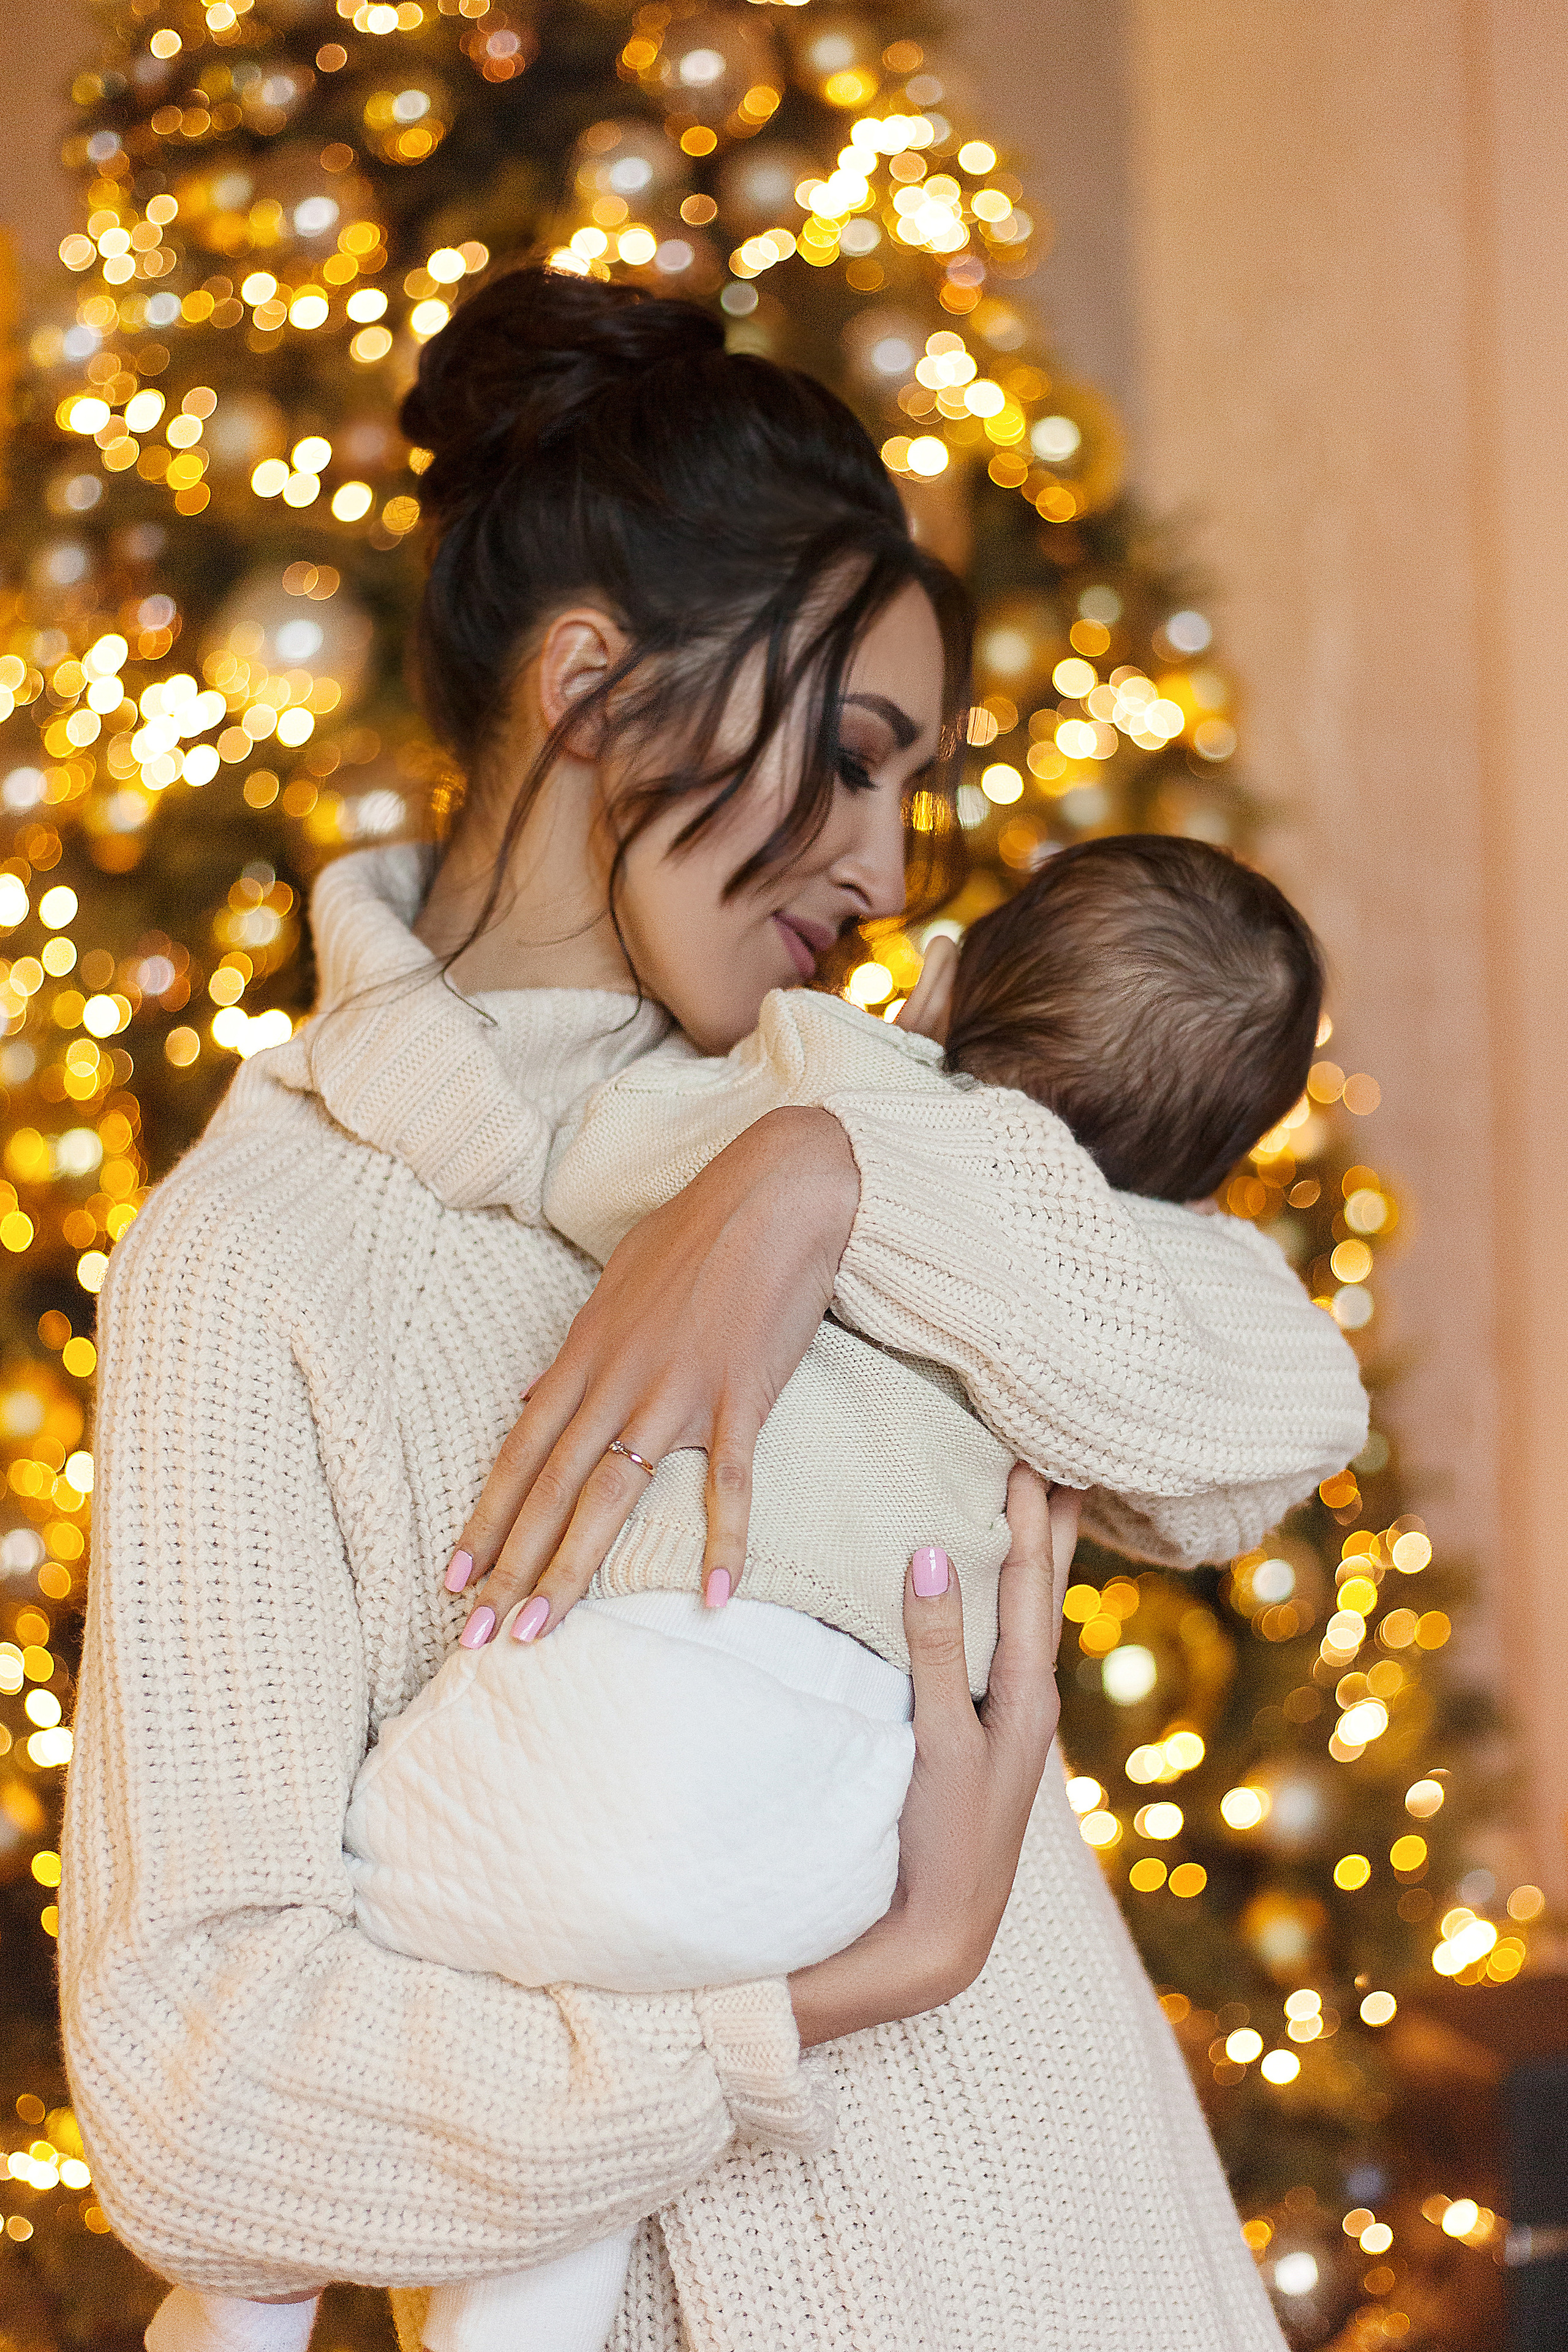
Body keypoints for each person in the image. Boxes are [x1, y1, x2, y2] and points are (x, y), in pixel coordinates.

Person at [57, 269, 1361, 2352]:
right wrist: (836, 1994)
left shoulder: (864, 1115)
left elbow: (1262, 1421)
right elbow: (195, 2096)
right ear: (594, 691)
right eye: (851, 758)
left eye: (918, 782)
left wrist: (820, 1176)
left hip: (1113, 2272)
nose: (893, 861)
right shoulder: (265, 1252)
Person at [338, 833, 1361, 2352]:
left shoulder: (816, 1067)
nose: (878, 862)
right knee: (574, 2043)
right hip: (849, 1853)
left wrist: (826, 1154)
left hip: (684, 1720)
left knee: (420, 1895)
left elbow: (597, 1163)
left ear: (942, 981)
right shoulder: (1114, 1265)